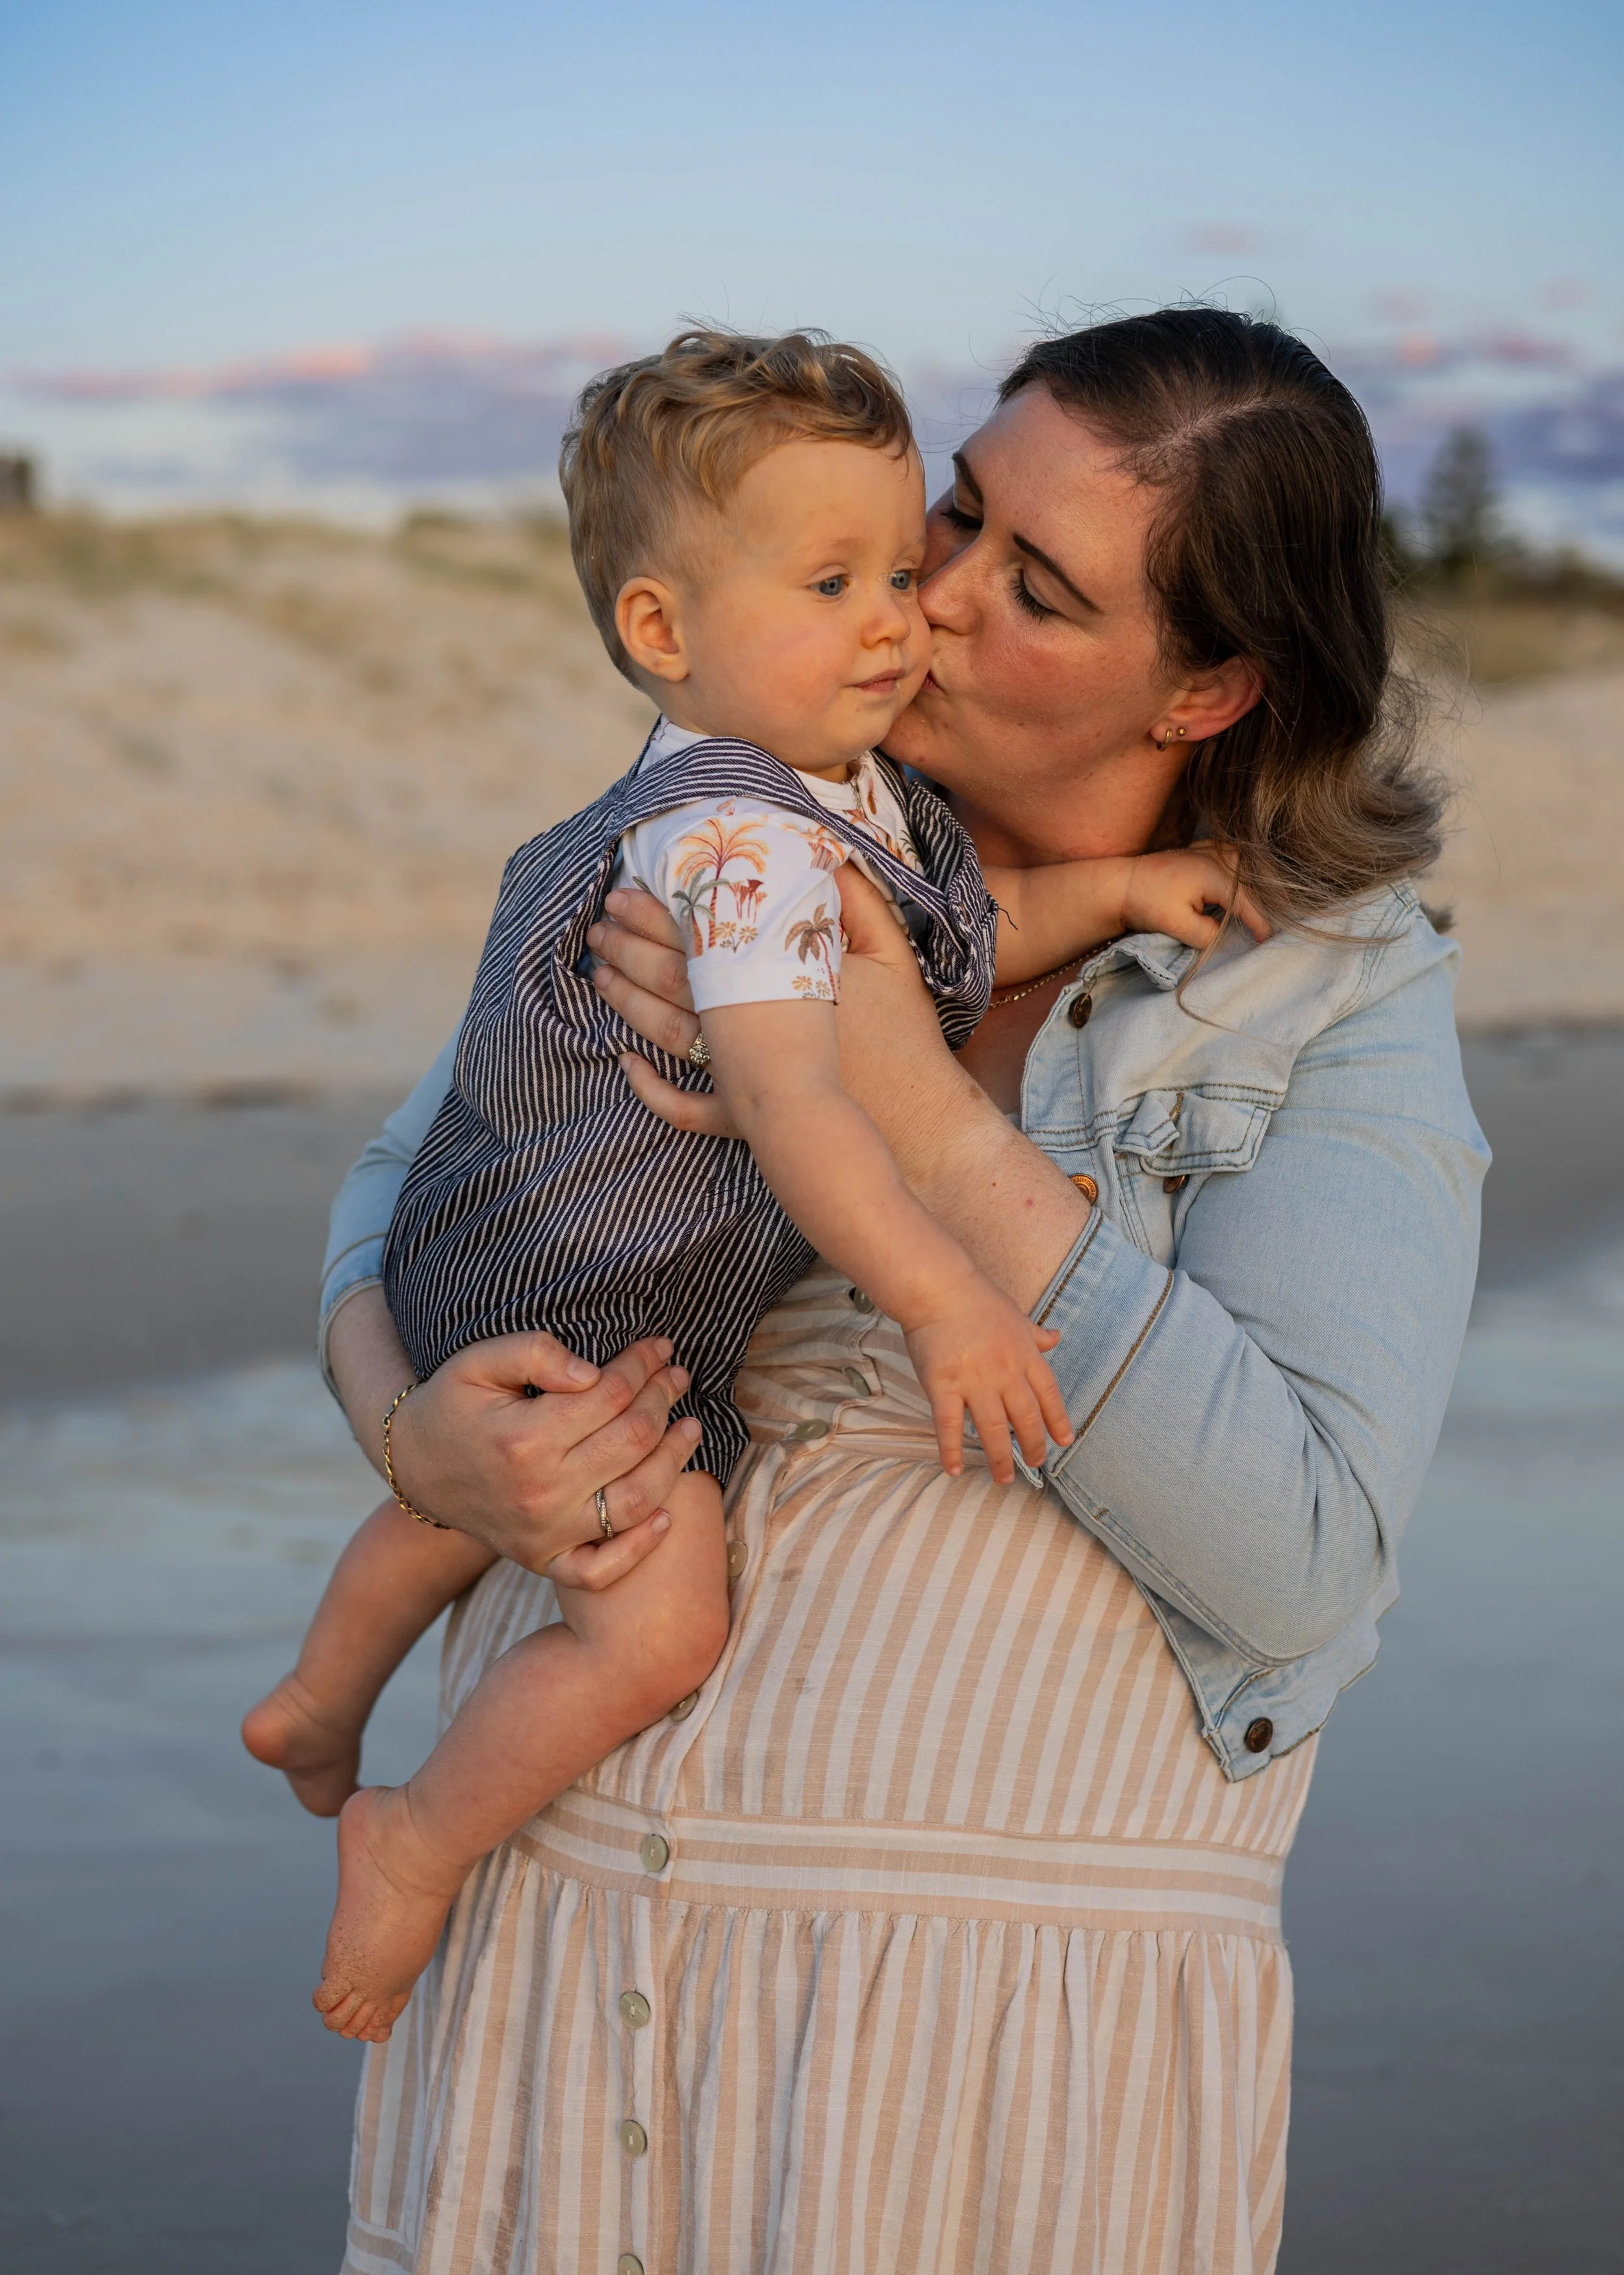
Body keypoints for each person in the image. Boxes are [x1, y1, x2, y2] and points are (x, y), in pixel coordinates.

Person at [312, 311, 1488, 2275]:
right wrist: (412, 1434)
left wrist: (906, 1091)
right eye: (950, 513)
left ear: (1204, 687)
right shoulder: (748, 821)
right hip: (554, 1964)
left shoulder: (1330, 992)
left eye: (1027, 588)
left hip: (984, 2066)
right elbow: (403, 1190)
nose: (928, 601)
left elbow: (1296, 1560)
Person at [242, 329, 1250, 2046]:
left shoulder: (834, 796)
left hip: (496, 1255)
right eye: (833, 579)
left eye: (898, 564)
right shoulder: (740, 844)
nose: (893, 616)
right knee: (656, 1618)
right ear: (662, 631)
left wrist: (1127, 881)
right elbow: (797, 1098)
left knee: (454, 1512)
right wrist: (943, 1299)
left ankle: (319, 1699)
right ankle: (411, 1833)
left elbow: (947, 940)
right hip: (585, 1288)